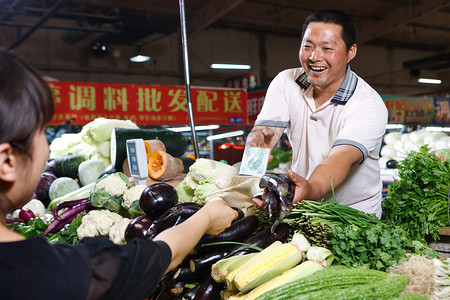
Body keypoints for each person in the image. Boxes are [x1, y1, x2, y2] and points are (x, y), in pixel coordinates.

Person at [0, 49, 238, 299]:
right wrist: (207, 216)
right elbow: (152, 259)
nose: (47, 146)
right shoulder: (43, 274)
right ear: (7, 161)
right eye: (42, 131)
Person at [247, 8, 388, 218]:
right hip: (304, 208)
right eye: (308, 46)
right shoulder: (286, 82)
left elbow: (341, 158)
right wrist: (255, 144)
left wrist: (310, 189)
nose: (315, 57)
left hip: (353, 217)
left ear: (351, 52)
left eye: (327, 48)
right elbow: (265, 133)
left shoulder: (368, 104)